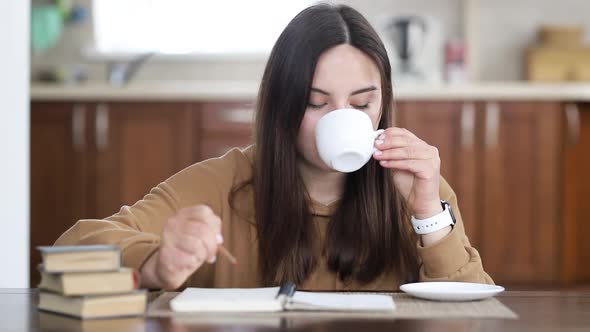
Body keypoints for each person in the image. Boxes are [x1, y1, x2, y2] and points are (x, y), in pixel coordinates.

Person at [55, 3, 493, 291]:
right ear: (282, 103)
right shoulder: (222, 182)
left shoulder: (416, 189)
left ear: (383, 103)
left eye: (362, 103)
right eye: (315, 102)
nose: (342, 117)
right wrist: (153, 264)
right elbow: (72, 250)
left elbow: (476, 309)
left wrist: (429, 215)